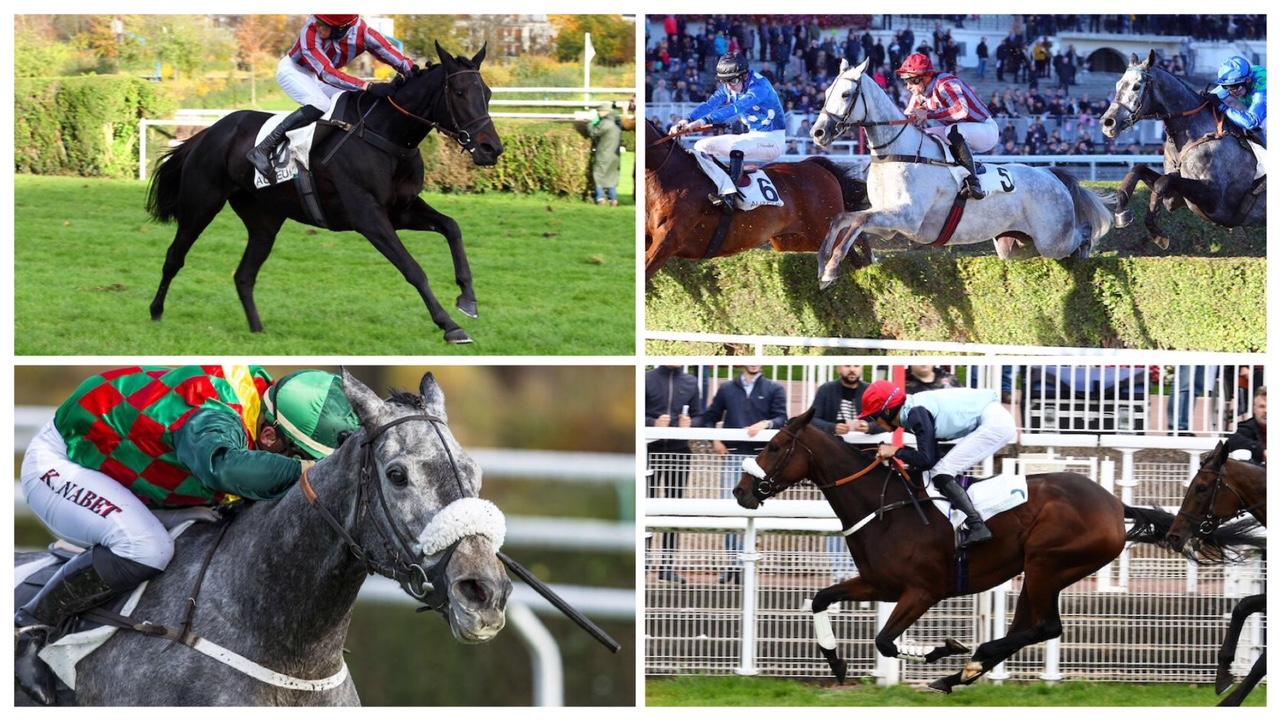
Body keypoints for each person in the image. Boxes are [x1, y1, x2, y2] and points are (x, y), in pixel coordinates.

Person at [15, 366, 361, 705]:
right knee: (146, 548)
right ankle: (30, 626)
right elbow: (223, 466)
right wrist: (313, 471)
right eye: (302, 457)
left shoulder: (267, 409)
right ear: (270, 437)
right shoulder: (212, 414)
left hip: (135, 470)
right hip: (65, 461)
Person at [247, 14, 417, 179]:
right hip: (294, 71)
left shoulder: (364, 33)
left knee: (351, 99)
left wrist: (413, 70)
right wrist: (368, 86)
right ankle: (263, 148)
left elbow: (387, 50)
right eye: (318, 21)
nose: (317, 26)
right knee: (320, 104)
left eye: (324, 25)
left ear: (342, 29)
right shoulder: (310, 31)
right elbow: (327, 73)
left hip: (317, 77)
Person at [858, 382, 1017, 548]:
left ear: (886, 411)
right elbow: (930, 460)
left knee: (942, 471)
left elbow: (926, 459)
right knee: (940, 470)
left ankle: (977, 525)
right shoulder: (912, 411)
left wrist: (895, 451)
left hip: (994, 423)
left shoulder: (915, 413)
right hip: (993, 418)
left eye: (873, 417)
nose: (875, 423)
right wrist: (899, 452)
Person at [696, 366, 787, 583]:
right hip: (734, 456)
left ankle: (749, 565)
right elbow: (709, 417)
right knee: (731, 509)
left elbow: (783, 418)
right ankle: (734, 565)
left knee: (757, 509)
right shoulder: (727, 388)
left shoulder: (774, 388)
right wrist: (715, 440)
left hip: (762, 460)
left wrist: (766, 423)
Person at [670, 52, 786, 212]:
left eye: (733, 81)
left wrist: (704, 121)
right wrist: (687, 120)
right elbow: (710, 104)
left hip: (773, 141)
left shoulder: (760, 86)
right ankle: (717, 184)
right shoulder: (731, 86)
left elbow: (735, 108)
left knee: (737, 147)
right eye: (725, 81)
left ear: (745, 76)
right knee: (700, 146)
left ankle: (730, 196)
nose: (729, 86)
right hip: (752, 137)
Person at [896, 52, 998, 200]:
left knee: (953, 130)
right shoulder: (919, 95)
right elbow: (907, 119)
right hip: (963, 131)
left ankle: (973, 182)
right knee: (923, 136)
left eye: (909, 81)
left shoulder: (946, 83)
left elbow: (961, 110)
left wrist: (928, 114)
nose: (907, 87)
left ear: (923, 78)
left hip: (985, 130)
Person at [645, 366, 703, 584]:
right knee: (645, 507)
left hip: (679, 453)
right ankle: (643, 563)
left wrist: (691, 424)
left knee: (673, 509)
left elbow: (701, 416)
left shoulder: (691, 382)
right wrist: (652, 423)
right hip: (649, 450)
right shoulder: (646, 379)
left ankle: (667, 567)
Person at [1210, 56, 1267, 147]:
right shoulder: (1241, 78)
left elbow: (1251, 122)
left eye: (1235, 86)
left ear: (1248, 80)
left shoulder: (1263, 85)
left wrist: (1223, 108)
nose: (1231, 91)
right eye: (1226, 86)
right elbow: (1214, 94)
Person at [809, 365, 869, 436]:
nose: (852, 370)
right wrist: (832, 427)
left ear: (862, 369)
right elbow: (812, 419)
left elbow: (880, 421)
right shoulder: (826, 389)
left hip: (865, 440)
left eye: (856, 366)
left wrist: (869, 427)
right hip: (832, 440)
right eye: (847, 366)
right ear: (838, 369)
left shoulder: (870, 390)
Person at [588, 102, 622, 206]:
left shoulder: (605, 123)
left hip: (604, 154)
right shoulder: (617, 122)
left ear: (605, 111)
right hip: (615, 156)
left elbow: (593, 132)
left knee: (598, 175)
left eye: (599, 111)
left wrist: (591, 122)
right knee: (612, 177)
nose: (598, 113)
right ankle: (613, 199)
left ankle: (600, 198)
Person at [1226, 386, 1266, 464]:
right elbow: (1233, 441)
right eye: (1262, 406)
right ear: (1254, 409)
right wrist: (1262, 452)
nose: (1266, 411)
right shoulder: (1246, 429)